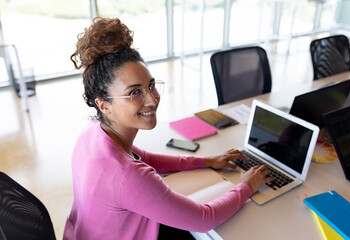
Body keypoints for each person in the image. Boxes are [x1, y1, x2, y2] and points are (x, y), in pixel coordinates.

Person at [63, 17, 272, 240]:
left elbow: (145, 158)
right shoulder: (127, 175)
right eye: (135, 92)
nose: (152, 100)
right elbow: (204, 219)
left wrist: (206, 161)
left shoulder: (93, 132)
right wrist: (247, 186)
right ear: (103, 104)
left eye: (151, 86)